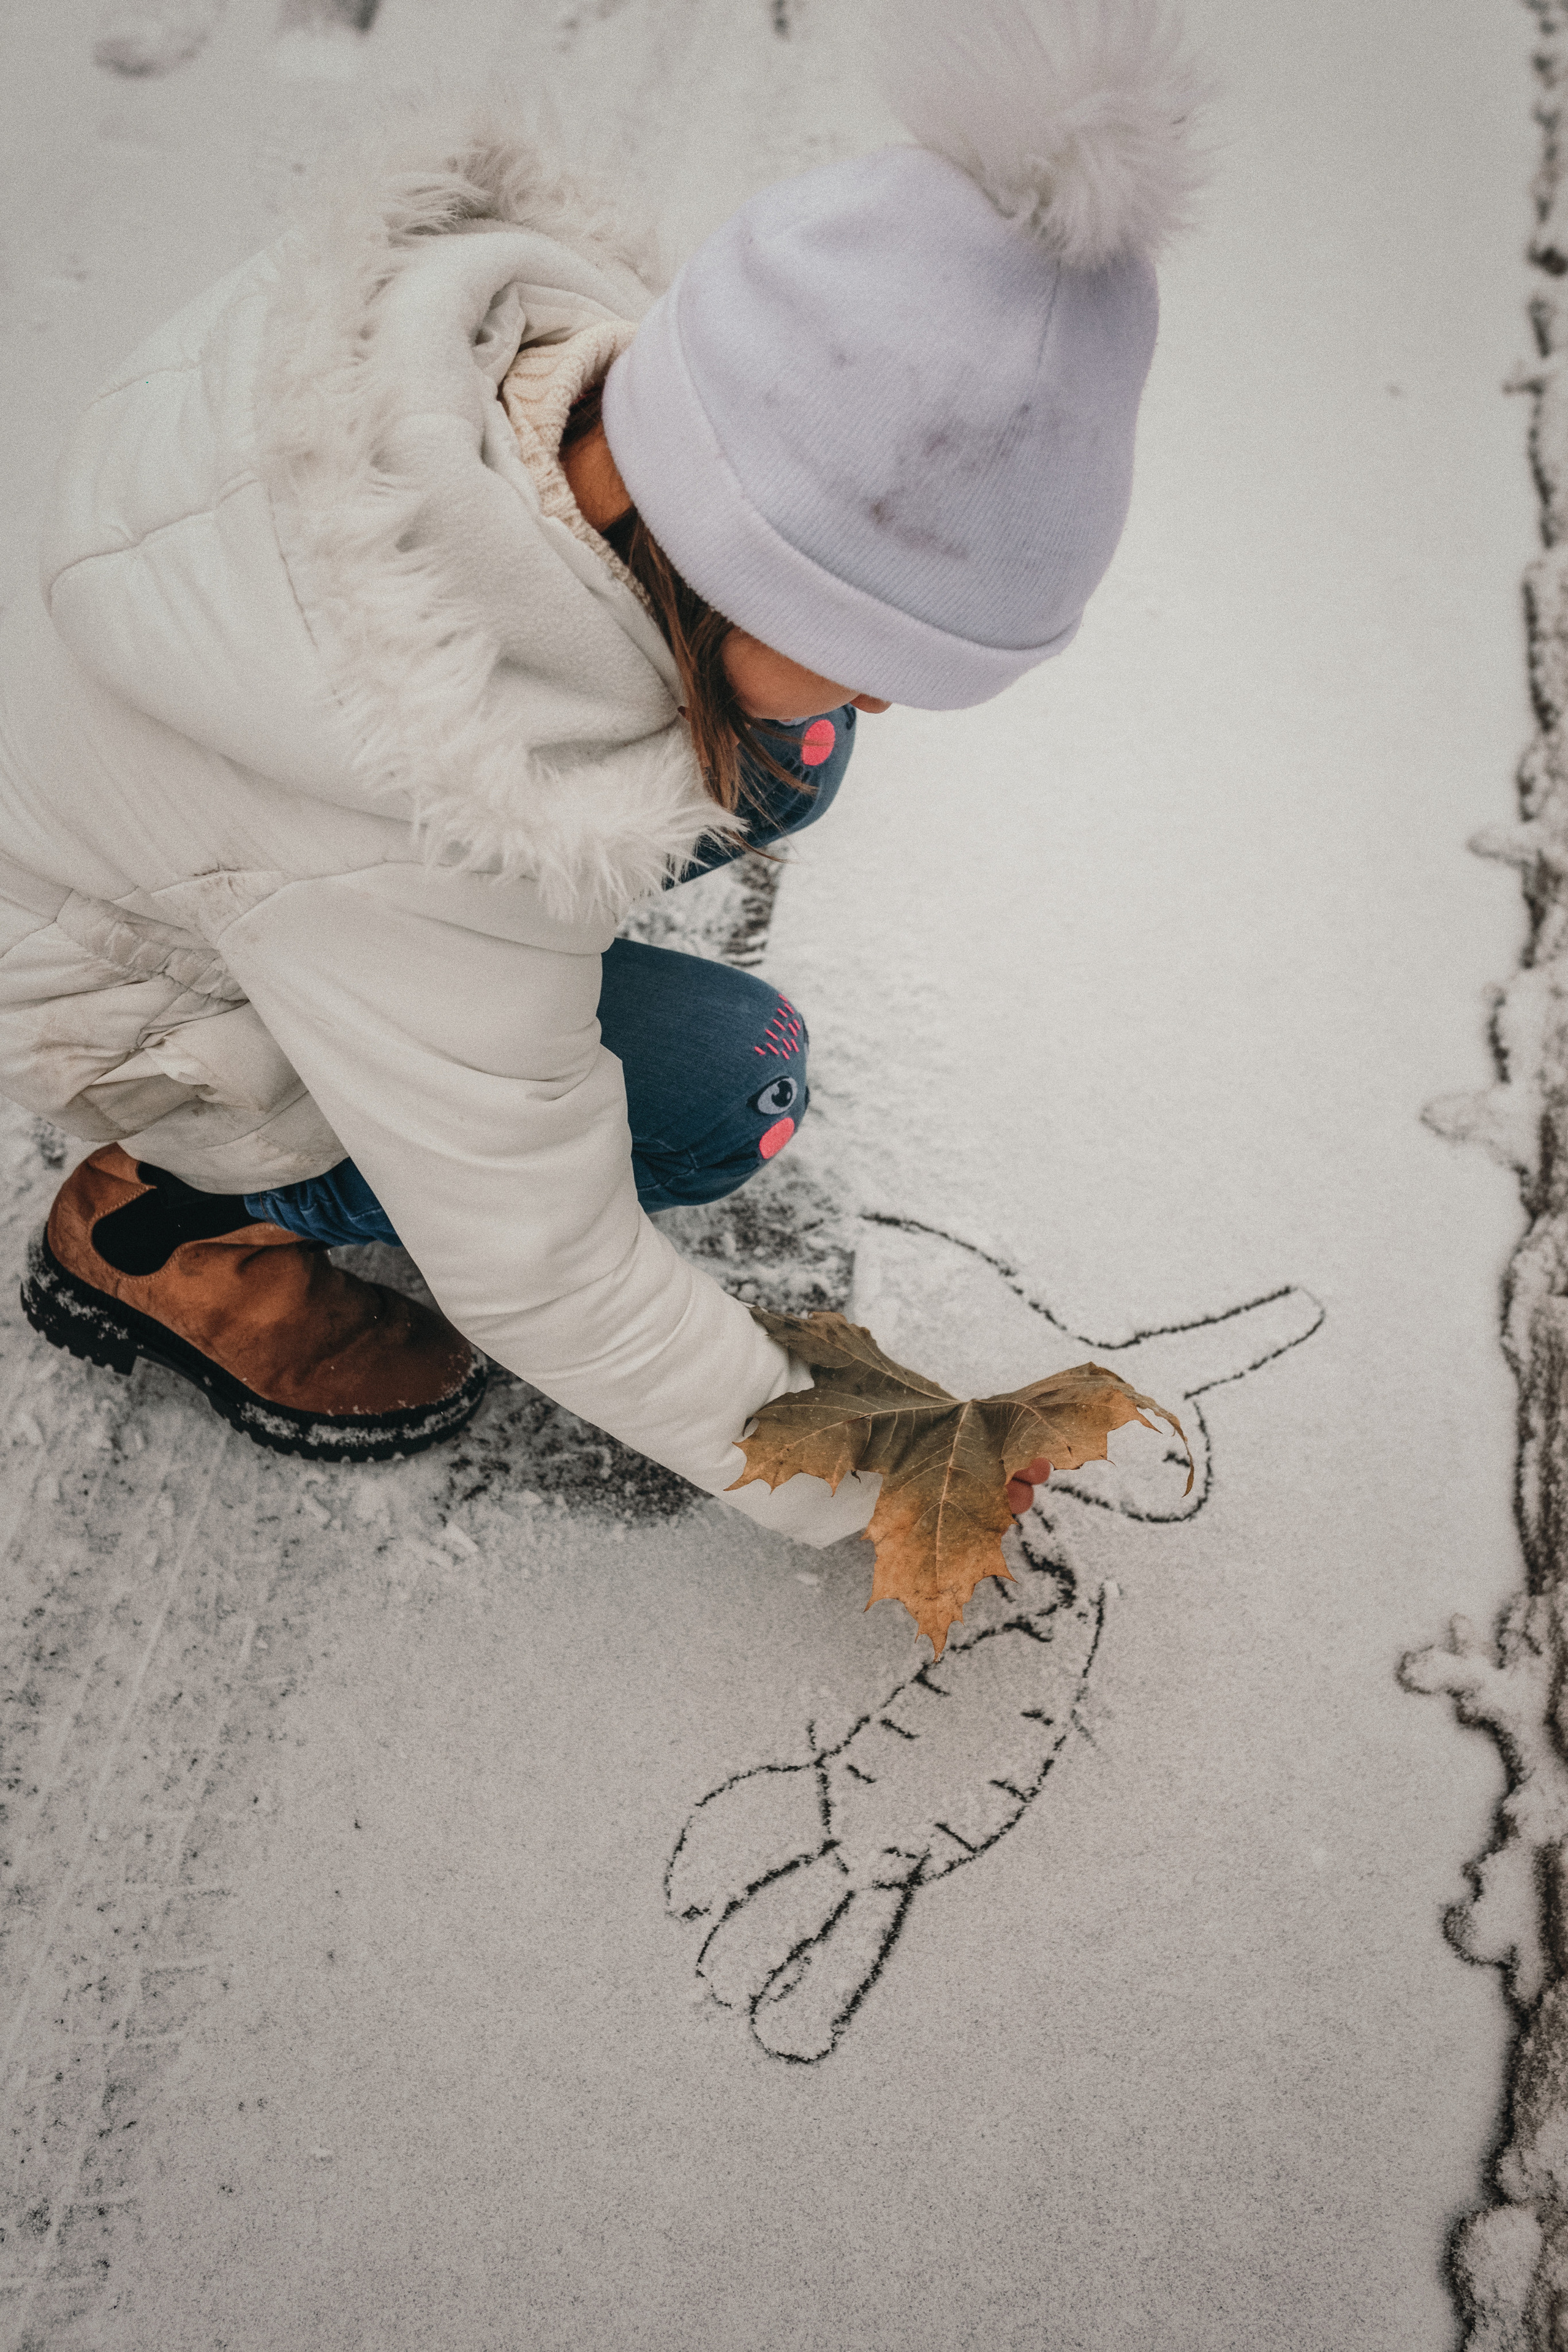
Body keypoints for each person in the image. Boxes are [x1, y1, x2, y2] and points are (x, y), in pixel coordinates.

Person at [0, 3, 1201, 1536]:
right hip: (134, 998)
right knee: (725, 1087)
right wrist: (875, 1477)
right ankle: (169, 1223)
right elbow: (547, 1268)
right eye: (878, 647)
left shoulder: (508, 362)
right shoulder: (417, 830)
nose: (890, 706)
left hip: (162, 822)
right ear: (742, 556)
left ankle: (463, 1012)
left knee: (789, 749)